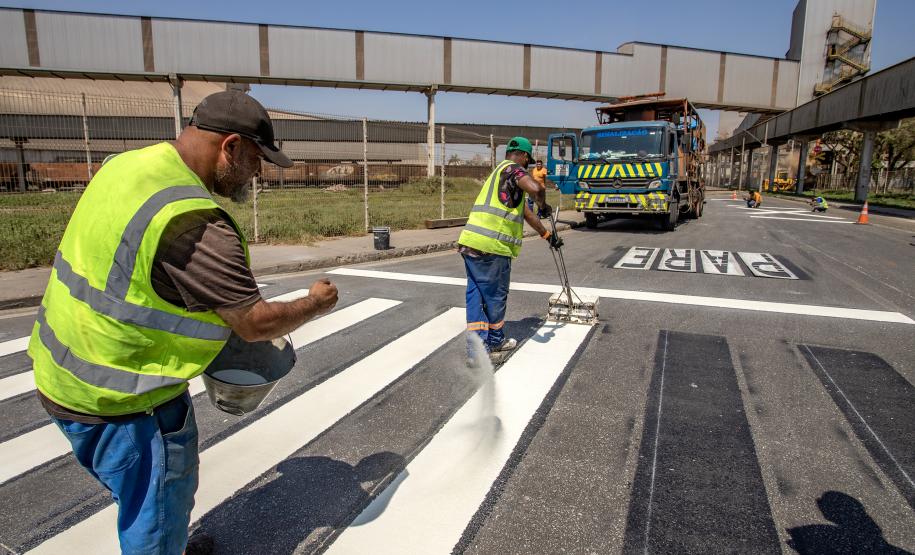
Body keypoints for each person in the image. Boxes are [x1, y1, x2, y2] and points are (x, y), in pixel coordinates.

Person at [27, 90, 339, 555]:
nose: (257, 174)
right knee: (155, 513)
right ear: (230, 145)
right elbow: (254, 324)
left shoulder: (126, 166)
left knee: (135, 500)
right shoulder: (193, 222)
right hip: (128, 404)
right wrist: (316, 303)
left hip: (63, 374)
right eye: (257, 160)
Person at [457, 137, 559, 365]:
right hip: (493, 248)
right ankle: (494, 343)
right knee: (495, 297)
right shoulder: (514, 170)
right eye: (528, 161)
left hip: (470, 243)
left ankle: (476, 351)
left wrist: (547, 235)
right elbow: (536, 188)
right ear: (523, 156)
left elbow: (525, 213)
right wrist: (543, 205)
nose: (528, 166)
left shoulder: (498, 175)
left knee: (476, 296)